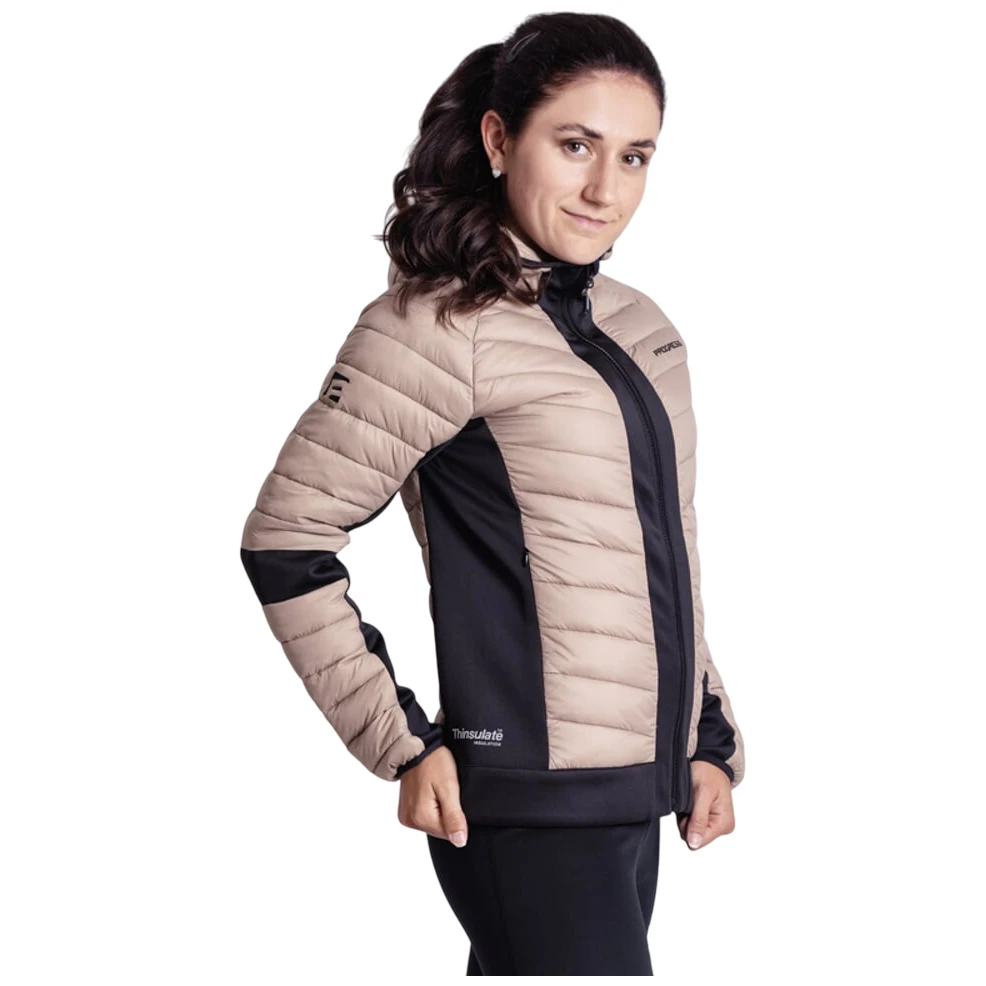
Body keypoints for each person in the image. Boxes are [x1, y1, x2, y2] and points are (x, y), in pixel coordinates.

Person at [239, 11, 746, 976]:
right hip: (523, 804)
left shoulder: (639, 327)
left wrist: (708, 738)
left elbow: (653, 555)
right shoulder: (433, 328)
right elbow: (285, 541)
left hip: (636, 797)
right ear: (500, 139)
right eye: (575, 145)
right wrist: (402, 741)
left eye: (635, 157)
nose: (606, 189)